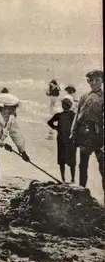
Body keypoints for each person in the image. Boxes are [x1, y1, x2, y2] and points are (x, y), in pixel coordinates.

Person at [70, 70, 104, 203]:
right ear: (88, 81)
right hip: (84, 134)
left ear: (102, 81)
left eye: (97, 80)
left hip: (98, 135)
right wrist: (73, 132)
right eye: (92, 80)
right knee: (82, 164)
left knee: (103, 165)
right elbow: (77, 116)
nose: (94, 83)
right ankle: (81, 191)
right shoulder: (84, 96)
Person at [47, 98, 76, 183]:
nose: (65, 106)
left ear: (70, 106)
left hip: (68, 140)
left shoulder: (72, 115)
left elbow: (79, 125)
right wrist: (56, 128)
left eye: (66, 105)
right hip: (64, 139)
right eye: (64, 105)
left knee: (70, 161)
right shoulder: (61, 115)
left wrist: (56, 128)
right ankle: (65, 179)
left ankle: (71, 179)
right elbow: (49, 122)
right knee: (64, 160)